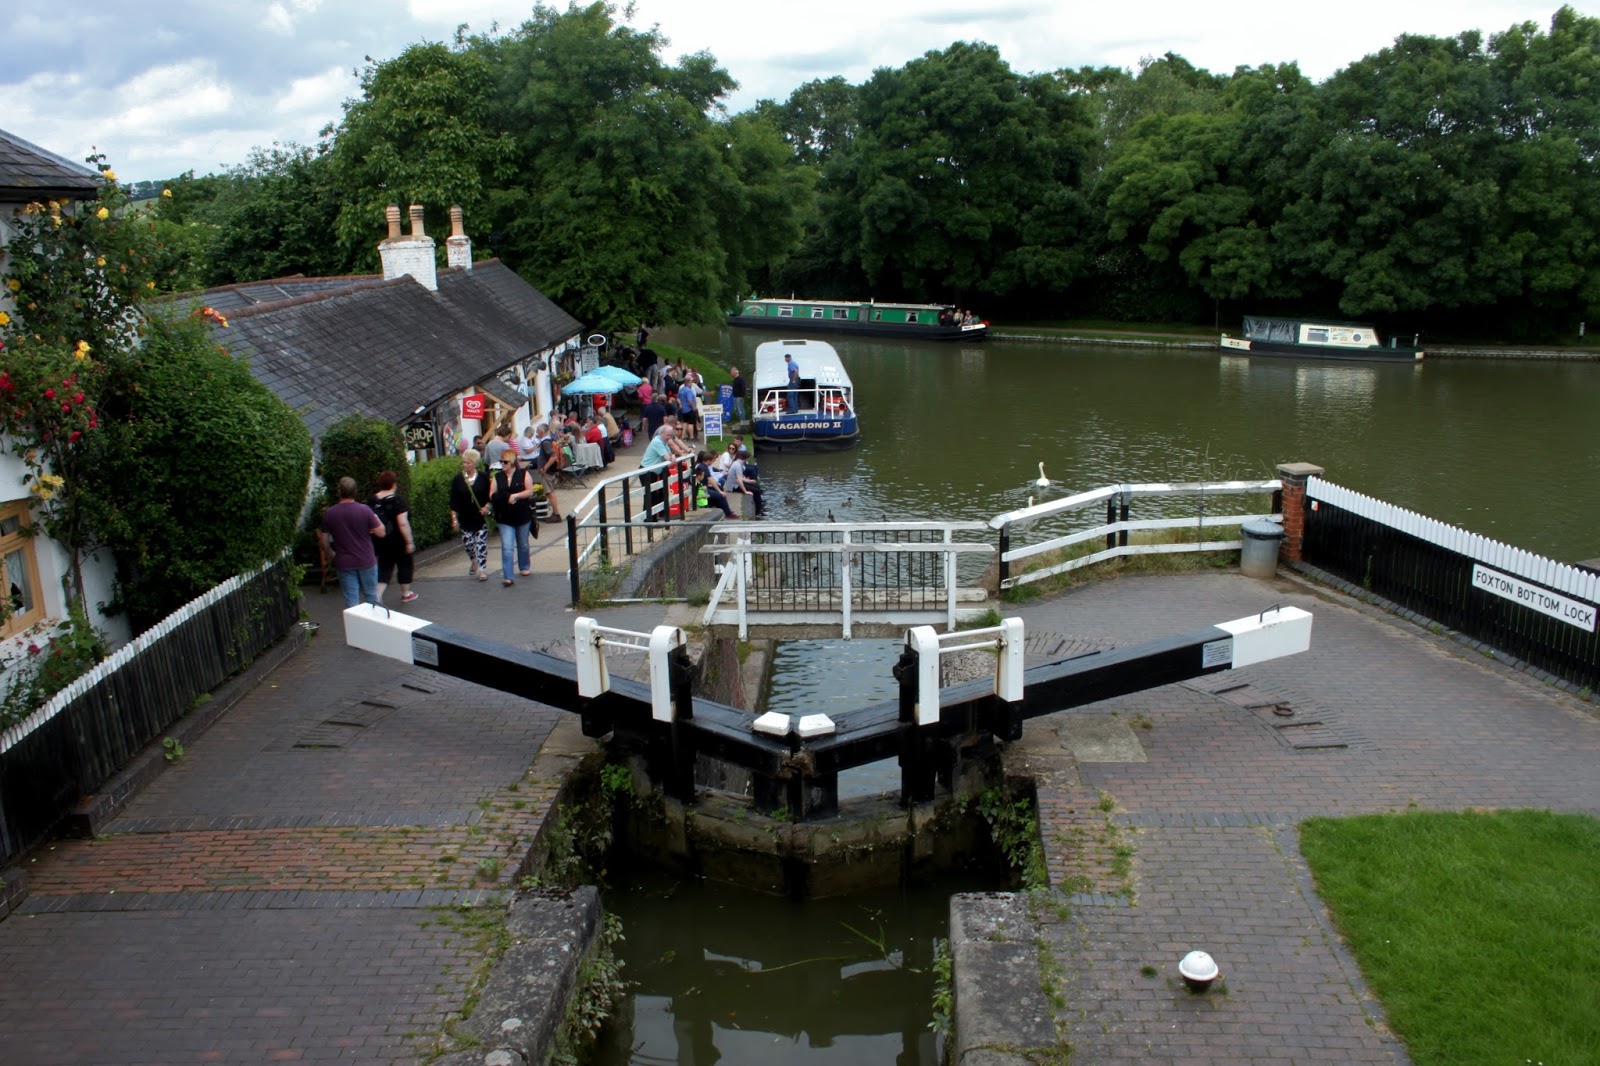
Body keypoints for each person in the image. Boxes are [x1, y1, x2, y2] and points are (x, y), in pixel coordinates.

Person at [320, 476, 384, 607]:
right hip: (366, 559)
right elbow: (381, 532)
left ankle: (354, 626)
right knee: (372, 595)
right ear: (355, 491)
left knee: (351, 600)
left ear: (339, 492)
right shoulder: (364, 510)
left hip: (344, 562)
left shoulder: (330, 513)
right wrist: (376, 518)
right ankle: (375, 625)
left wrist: (331, 554)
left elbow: (323, 540)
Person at [369, 471, 418, 603]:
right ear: (394, 484)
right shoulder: (398, 501)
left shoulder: (372, 500)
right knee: (405, 564)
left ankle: (377, 595)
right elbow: (403, 523)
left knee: (384, 566)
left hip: (380, 539)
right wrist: (409, 542)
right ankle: (406, 593)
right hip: (398, 540)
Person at [491, 449, 537, 586]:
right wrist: (506, 497)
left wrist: (516, 496)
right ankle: (508, 576)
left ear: (512, 462)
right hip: (505, 517)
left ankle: (524, 566)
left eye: (505, 462)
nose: (502, 464)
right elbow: (491, 495)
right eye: (501, 462)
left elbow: (530, 491)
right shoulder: (497, 477)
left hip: (522, 515)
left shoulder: (523, 474)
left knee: (523, 544)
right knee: (507, 546)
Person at [449, 448, 492, 581]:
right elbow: (453, 500)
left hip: (480, 517)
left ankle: (482, 569)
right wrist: (454, 519)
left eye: (468, 462)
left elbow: (490, 496)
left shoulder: (484, 477)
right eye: (464, 462)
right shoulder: (458, 479)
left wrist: (487, 507)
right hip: (465, 517)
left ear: (474, 463)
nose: (465, 465)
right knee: (468, 544)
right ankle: (474, 560)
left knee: (481, 543)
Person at [639, 425, 677, 521]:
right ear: (661, 434)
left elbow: (670, 456)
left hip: (655, 471)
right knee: (650, 494)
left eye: (670, 435)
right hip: (647, 470)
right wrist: (672, 456)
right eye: (668, 435)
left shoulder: (663, 442)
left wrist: (671, 456)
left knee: (658, 493)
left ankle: (659, 514)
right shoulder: (657, 442)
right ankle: (649, 519)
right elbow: (668, 458)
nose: (670, 437)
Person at [693, 450, 737, 519]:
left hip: (702, 487)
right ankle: (728, 513)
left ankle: (721, 510)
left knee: (719, 490)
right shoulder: (704, 468)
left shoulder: (702, 466)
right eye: (712, 460)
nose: (713, 462)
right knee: (721, 496)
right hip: (701, 490)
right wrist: (720, 492)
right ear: (708, 461)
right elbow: (711, 480)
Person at [724, 447, 766, 517]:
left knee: (757, 487)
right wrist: (745, 491)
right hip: (734, 487)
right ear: (746, 458)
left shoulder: (738, 463)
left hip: (735, 483)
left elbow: (740, 478)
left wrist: (749, 481)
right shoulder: (737, 465)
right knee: (756, 491)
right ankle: (758, 512)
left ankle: (760, 506)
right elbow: (740, 480)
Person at [677, 377, 699, 442]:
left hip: (684, 409)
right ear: (688, 382)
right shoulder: (689, 391)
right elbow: (690, 401)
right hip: (690, 409)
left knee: (685, 423)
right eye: (691, 382)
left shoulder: (682, 389)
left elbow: (678, 398)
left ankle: (683, 436)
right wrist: (693, 407)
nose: (692, 384)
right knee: (691, 423)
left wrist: (681, 404)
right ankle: (691, 437)